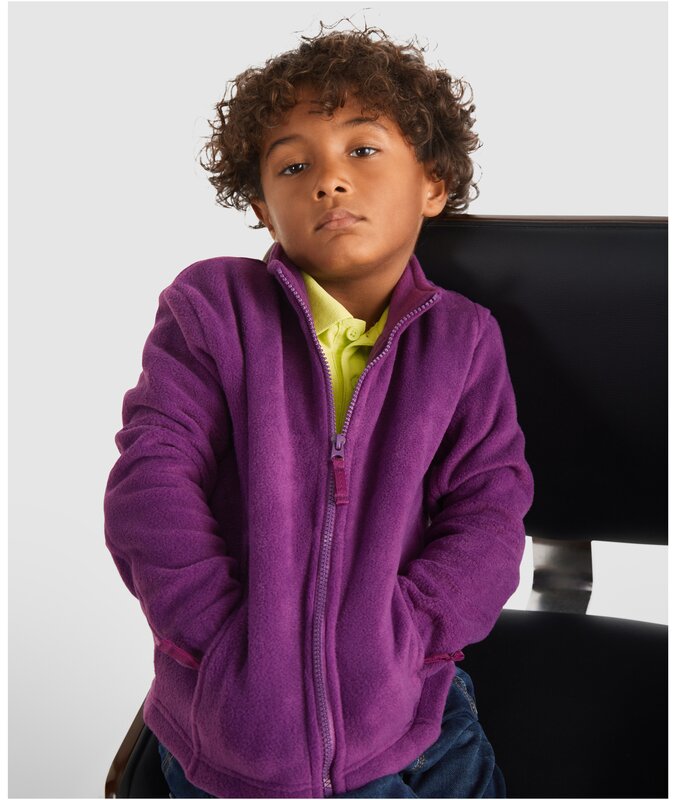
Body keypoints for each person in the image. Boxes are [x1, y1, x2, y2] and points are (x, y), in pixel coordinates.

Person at [104, 21, 534, 799]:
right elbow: (151, 480)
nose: (329, 180)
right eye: (294, 164)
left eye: (362, 149)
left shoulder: (464, 340)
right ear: (264, 209)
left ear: (433, 183)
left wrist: (409, 633)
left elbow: (489, 508)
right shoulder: (210, 308)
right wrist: (220, 640)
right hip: (230, 729)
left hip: (416, 724)